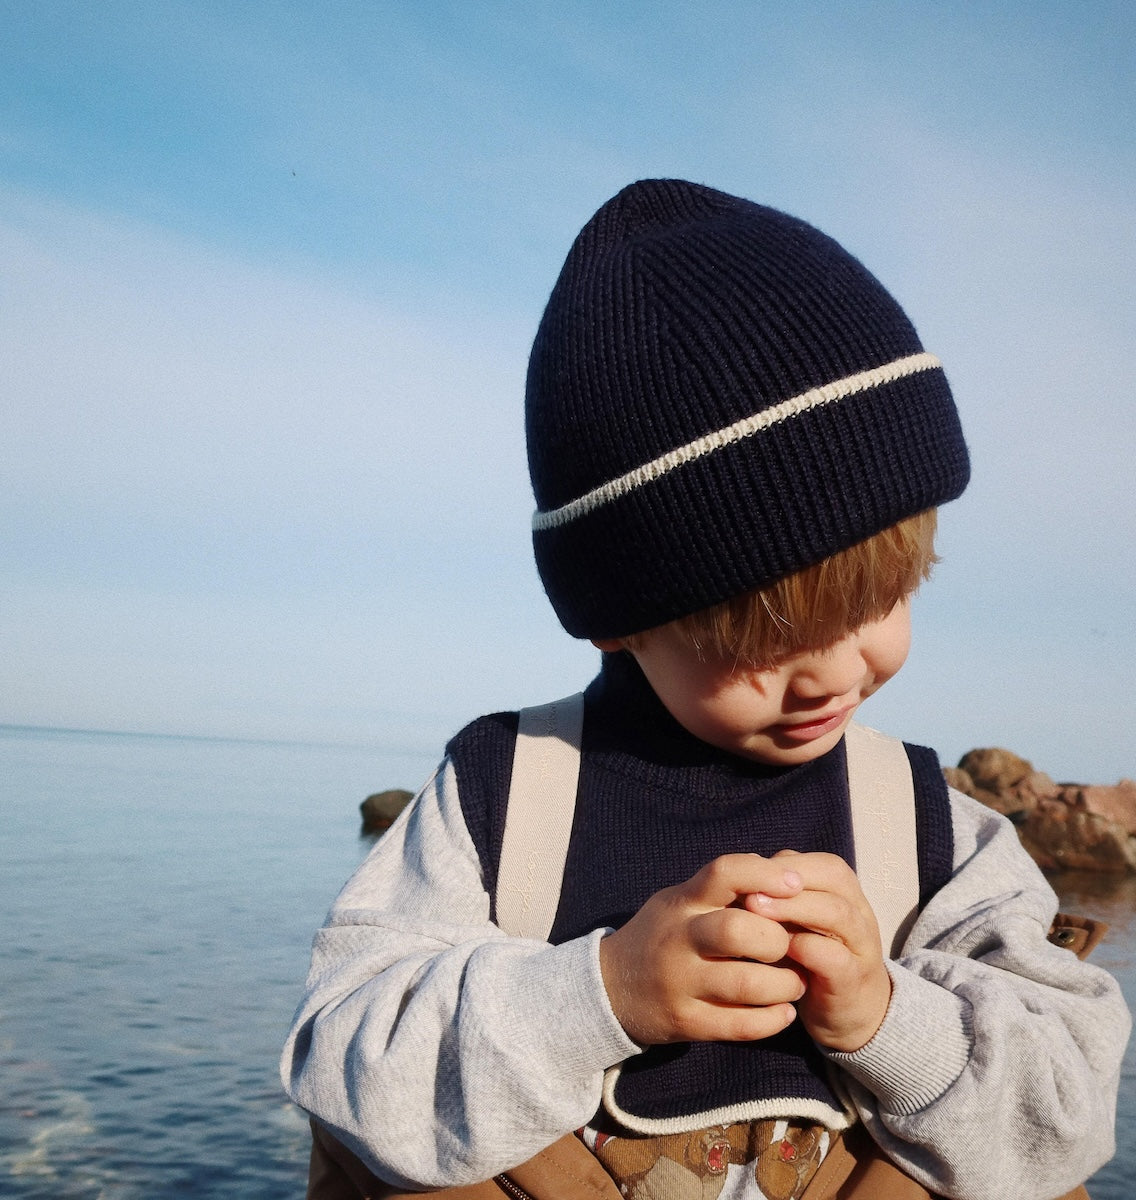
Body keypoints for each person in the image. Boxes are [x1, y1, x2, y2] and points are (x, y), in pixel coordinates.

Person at [281, 180, 1128, 1200]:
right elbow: (345, 1052)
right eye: (766, 634)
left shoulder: (934, 834)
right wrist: (603, 990)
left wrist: (887, 1016)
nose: (833, 669)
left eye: (880, 599)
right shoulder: (504, 800)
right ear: (619, 615)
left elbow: (1066, 1111)